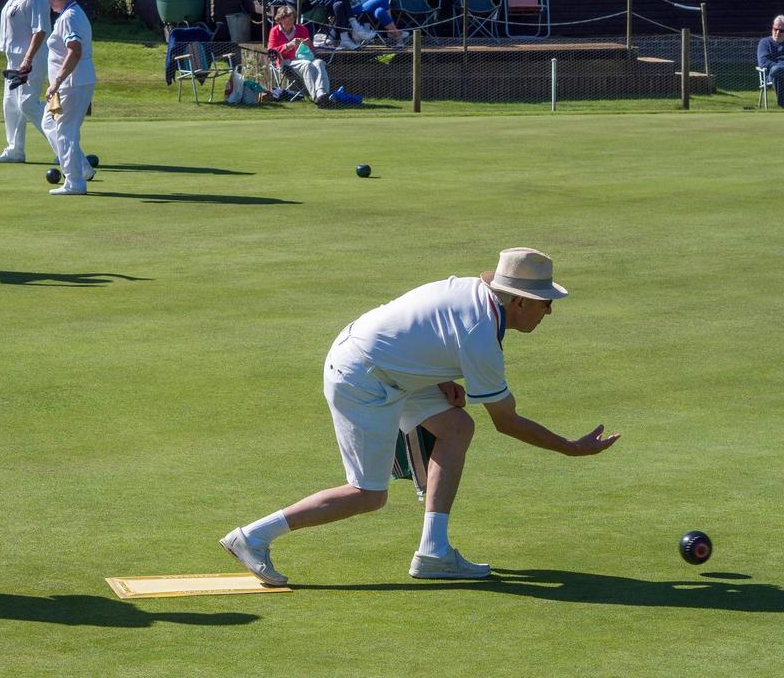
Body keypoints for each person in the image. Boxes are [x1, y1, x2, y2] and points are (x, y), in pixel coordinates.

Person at [220, 247, 620, 586]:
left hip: (382, 361)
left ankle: (433, 551)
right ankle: (252, 537)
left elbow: (420, 325)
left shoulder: (471, 294)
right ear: (518, 301)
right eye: (545, 303)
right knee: (367, 495)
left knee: (456, 426)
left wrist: (440, 373)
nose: (548, 312)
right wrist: (570, 448)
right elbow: (507, 421)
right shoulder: (481, 336)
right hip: (364, 378)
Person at [0, 0, 51, 164]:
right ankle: (15, 150)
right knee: (10, 104)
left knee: (27, 104)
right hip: (13, 59)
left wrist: (27, 59)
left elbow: (40, 31)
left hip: (30, 59)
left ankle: (62, 139)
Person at [40, 0, 96, 196]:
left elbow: (75, 50)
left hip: (71, 83)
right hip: (74, 82)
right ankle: (81, 167)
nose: (48, 2)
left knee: (65, 131)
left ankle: (74, 182)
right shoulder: (72, 13)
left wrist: (57, 82)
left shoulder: (69, 18)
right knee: (48, 123)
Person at [267, 5, 330, 105]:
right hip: (286, 62)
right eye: (286, 20)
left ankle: (322, 94)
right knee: (307, 65)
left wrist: (309, 45)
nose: (289, 22)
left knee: (319, 63)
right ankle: (316, 97)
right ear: (280, 20)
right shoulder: (275, 31)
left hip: (305, 58)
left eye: (291, 19)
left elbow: (312, 52)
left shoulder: (302, 29)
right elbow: (271, 52)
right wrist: (288, 45)